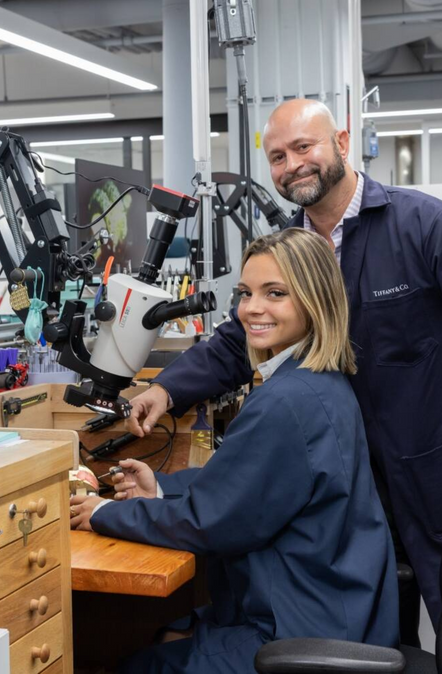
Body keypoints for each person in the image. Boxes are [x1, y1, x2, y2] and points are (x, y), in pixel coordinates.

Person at [128, 99, 442, 644]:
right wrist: (166, 389)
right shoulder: (292, 248)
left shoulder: (425, 225)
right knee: (379, 637)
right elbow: (240, 338)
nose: (292, 165)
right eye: (278, 156)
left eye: (304, 147)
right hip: (361, 489)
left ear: (343, 143)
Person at [70, 228, 399, 673]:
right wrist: (161, 489)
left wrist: (103, 514)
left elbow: (211, 522)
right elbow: (244, 484)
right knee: (168, 630)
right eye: (245, 293)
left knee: (135, 664)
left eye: (275, 293)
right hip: (331, 605)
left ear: (315, 300)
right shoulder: (318, 381)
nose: (252, 308)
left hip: (296, 631)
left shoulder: (287, 401)